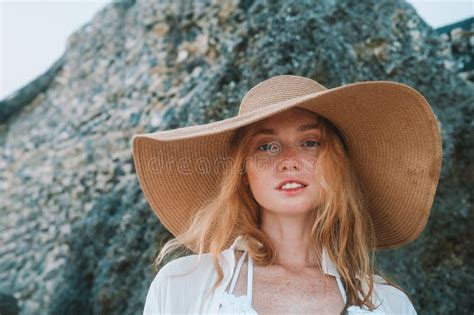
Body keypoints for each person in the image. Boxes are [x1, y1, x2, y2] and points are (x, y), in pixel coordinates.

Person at [132, 74, 443, 314]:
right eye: (266, 146)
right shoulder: (182, 284)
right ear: (244, 174)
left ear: (337, 166)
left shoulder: (388, 302)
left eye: (310, 142)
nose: (289, 160)